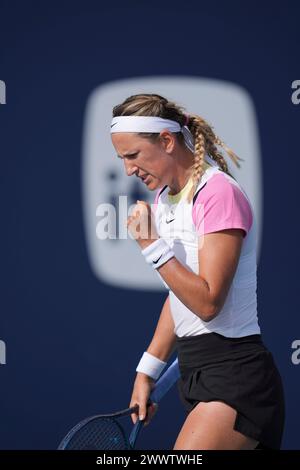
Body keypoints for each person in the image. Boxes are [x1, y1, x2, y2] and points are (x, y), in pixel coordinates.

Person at [110, 93, 285, 450]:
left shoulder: (217, 192)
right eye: (122, 159)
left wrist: (152, 246)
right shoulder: (165, 200)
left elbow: (207, 303)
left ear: (167, 141)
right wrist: (147, 369)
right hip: (199, 374)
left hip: (238, 379)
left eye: (133, 155)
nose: (128, 169)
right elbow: (182, 296)